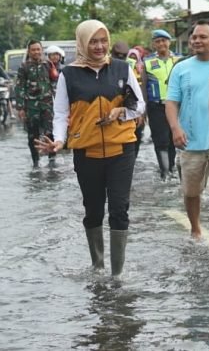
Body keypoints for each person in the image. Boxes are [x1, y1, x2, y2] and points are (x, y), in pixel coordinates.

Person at [37, 20, 145, 277]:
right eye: (93, 41)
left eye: (103, 40)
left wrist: (122, 111)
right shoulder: (69, 75)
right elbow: (61, 113)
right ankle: (97, 265)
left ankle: (117, 274)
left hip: (122, 149)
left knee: (119, 208)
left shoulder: (121, 68)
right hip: (86, 152)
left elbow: (139, 105)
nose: (99, 46)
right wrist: (60, 141)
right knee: (94, 209)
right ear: (83, 43)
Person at [166, 20, 209, 243]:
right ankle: (195, 230)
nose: (196, 41)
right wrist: (175, 128)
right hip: (190, 140)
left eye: (202, 37)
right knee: (191, 191)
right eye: (194, 37)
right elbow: (171, 102)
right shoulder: (181, 68)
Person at [142, 29, 179, 181]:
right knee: (160, 139)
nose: (161, 44)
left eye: (164, 40)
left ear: (169, 42)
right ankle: (165, 172)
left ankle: (171, 167)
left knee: (173, 139)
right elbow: (144, 86)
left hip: (177, 106)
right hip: (156, 106)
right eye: (157, 41)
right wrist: (143, 108)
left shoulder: (179, 60)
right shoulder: (148, 62)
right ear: (153, 44)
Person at [14, 40, 56, 168]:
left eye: (38, 49)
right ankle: (36, 161)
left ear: (42, 50)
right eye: (33, 50)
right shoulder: (24, 67)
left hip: (47, 105)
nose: (36, 52)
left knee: (50, 132)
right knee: (33, 135)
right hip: (31, 107)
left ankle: (52, 158)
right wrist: (20, 108)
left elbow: (54, 83)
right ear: (29, 51)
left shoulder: (48, 64)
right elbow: (19, 87)